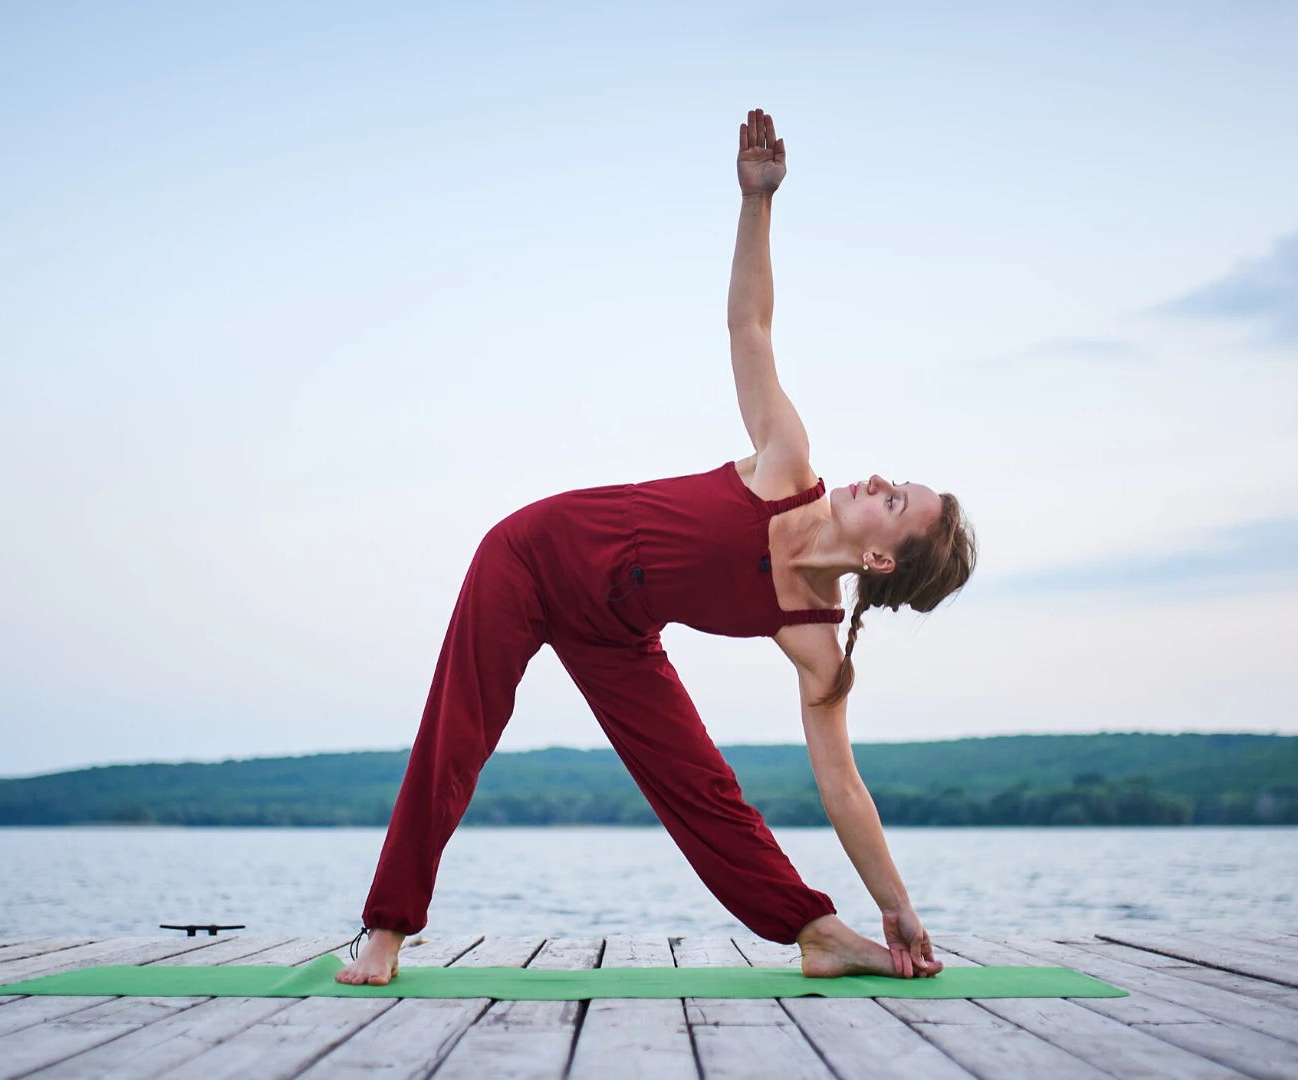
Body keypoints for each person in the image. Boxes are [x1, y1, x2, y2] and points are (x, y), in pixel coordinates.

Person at [336, 109, 976, 985]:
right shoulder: (787, 461)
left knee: (703, 788)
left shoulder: (814, 641)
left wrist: (896, 904)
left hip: (615, 634)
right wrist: (758, 204)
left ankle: (815, 931)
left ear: (881, 563)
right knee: (460, 733)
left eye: (894, 500)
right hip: (530, 557)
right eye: (891, 477)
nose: (874, 479)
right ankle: (387, 930)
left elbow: (845, 789)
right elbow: (750, 328)